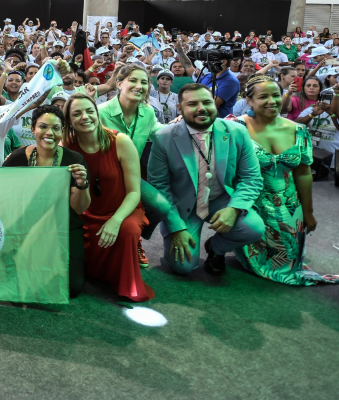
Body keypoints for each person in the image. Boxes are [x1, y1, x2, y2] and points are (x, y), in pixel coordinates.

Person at [146, 83, 266, 276]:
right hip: (183, 205)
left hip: (221, 199)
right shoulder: (163, 137)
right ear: (180, 108)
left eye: (206, 102)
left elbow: (251, 178)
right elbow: (159, 186)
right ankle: (180, 236)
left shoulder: (237, 131)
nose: (201, 108)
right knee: (183, 266)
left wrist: (234, 209)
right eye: (192, 104)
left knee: (253, 228)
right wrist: (176, 228)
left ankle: (216, 248)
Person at [234, 75, 337, 285]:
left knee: (290, 258)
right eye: (263, 96)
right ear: (249, 100)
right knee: (258, 256)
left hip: (289, 206)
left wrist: (308, 212)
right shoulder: (235, 128)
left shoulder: (298, 130)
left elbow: (303, 173)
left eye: (276, 95)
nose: (272, 101)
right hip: (251, 204)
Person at [63, 94, 154, 302]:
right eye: (76, 113)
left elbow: (134, 191)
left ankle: (126, 272)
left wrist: (115, 220)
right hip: (85, 212)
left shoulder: (120, 141)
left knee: (127, 229)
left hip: (122, 209)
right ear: (69, 121)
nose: (85, 117)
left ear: (97, 113)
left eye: (89, 111)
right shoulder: (67, 145)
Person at [2, 105, 90, 298]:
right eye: (43, 127)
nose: (49, 133)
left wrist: (82, 185)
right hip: (25, 226)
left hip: (63, 227)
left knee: (72, 286)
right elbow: (2, 196)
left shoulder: (74, 160)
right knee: (9, 278)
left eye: (56, 128)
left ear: (62, 131)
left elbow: (80, 208)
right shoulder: (17, 157)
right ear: (33, 129)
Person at [97, 64, 169, 268]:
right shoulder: (100, 112)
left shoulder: (148, 112)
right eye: (134, 80)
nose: (140, 86)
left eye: (144, 82)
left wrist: (179, 127)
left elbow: (159, 133)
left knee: (160, 207)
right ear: (119, 83)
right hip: (101, 178)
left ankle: (136, 236)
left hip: (130, 177)